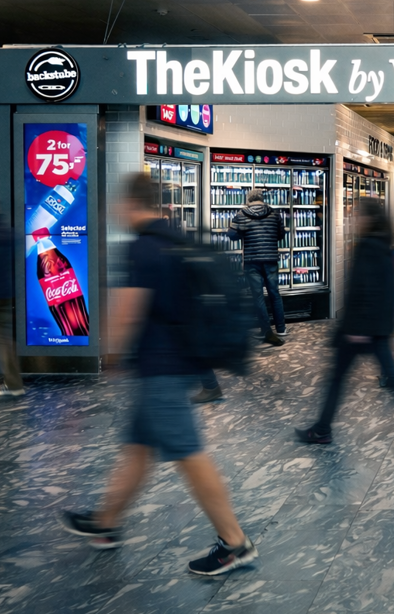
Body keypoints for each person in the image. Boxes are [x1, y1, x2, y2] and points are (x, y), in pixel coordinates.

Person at [61, 173, 258, 575]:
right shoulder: (174, 238)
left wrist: (112, 356)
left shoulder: (143, 247)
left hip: (160, 370)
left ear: (131, 203)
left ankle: (235, 542)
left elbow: (128, 310)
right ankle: (106, 522)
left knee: (189, 454)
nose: (115, 211)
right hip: (176, 361)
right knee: (138, 446)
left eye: (119, 204)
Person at [296, 198, 394, 451]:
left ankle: (322, 430)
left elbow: (365, 289)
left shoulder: (367, 247)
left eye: (359, 215)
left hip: (360, 328)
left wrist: (357, 329)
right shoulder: (382, 244)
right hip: (376, 326)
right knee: (393, 380)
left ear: (369, 219)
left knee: (338, 378)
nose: (355, 219)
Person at [228, 187, 286, 346]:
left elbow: (231, 235)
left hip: (252, 260)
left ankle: (266, 330)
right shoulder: (274, 213)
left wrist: (243, 232)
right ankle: (281, 328)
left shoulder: (241, 214)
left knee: (258, 296)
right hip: (271, 258)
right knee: (275, 293)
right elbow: (281, 234)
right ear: (262, 199)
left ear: (249, 199)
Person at [0, 208, 23, 399]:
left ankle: (14, 383)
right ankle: (14, 383)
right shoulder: (10, 235)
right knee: (5, 339)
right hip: (6, 293)